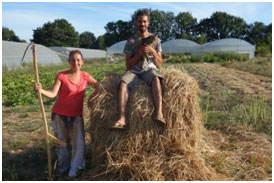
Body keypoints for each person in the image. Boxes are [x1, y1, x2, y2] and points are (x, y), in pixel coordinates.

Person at [34, 50, 98, 177]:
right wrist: (40, 90)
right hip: (59, 115)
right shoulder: (62, 76)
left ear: (82, 62)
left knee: (79, 143)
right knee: (63, 143)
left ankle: (76, 168)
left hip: (76, 116)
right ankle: (63, 167)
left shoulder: (85, 76)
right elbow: (52, 94)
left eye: (78, 60)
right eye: (73, 60)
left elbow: (99, 86)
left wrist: (91, 98)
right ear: (69, 62)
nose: (76, 62)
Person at [112, 9, 166, 129]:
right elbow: (127, 64)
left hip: (148, 69)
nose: (142, 24)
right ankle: (122, 118)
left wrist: (152, 52)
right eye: (140, 21)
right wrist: (138, 54)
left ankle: (159, 114)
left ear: (148, 23)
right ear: (136, 23)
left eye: (144, 22)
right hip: (134, 70)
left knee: (156, 79)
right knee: (122, 83)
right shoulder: (131, 41)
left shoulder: (156, 40)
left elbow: (160, 63)